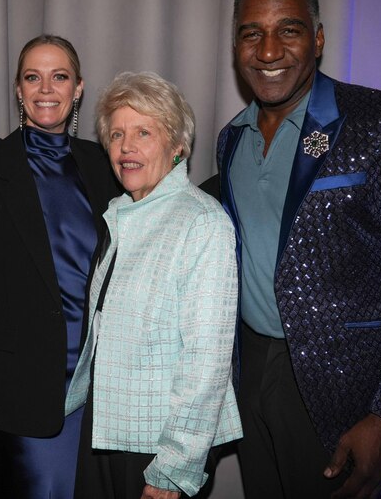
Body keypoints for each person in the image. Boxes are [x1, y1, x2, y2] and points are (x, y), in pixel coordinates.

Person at [207, 0, 381, 498]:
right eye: (251, 33)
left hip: (343, 393)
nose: (268, 50)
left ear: (318, 38)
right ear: (235, 43)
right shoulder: (230, 140)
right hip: (251, 376)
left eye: (289, 29)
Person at [0, 34, 120, 498]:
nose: (46, 89)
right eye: (32, 77)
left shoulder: (105, 165)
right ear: (18, 90)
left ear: (78, 88)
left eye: (59, 77)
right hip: (21, 389)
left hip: (102, 388)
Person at [66, 71, 243, 499]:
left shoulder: (202, 221)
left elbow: (207, 363)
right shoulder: (121, 215)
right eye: (117, 134)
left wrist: (173, 467)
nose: (126, 147)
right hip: (106, 429)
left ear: (177, 145)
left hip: (157, 446)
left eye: (143, 132)